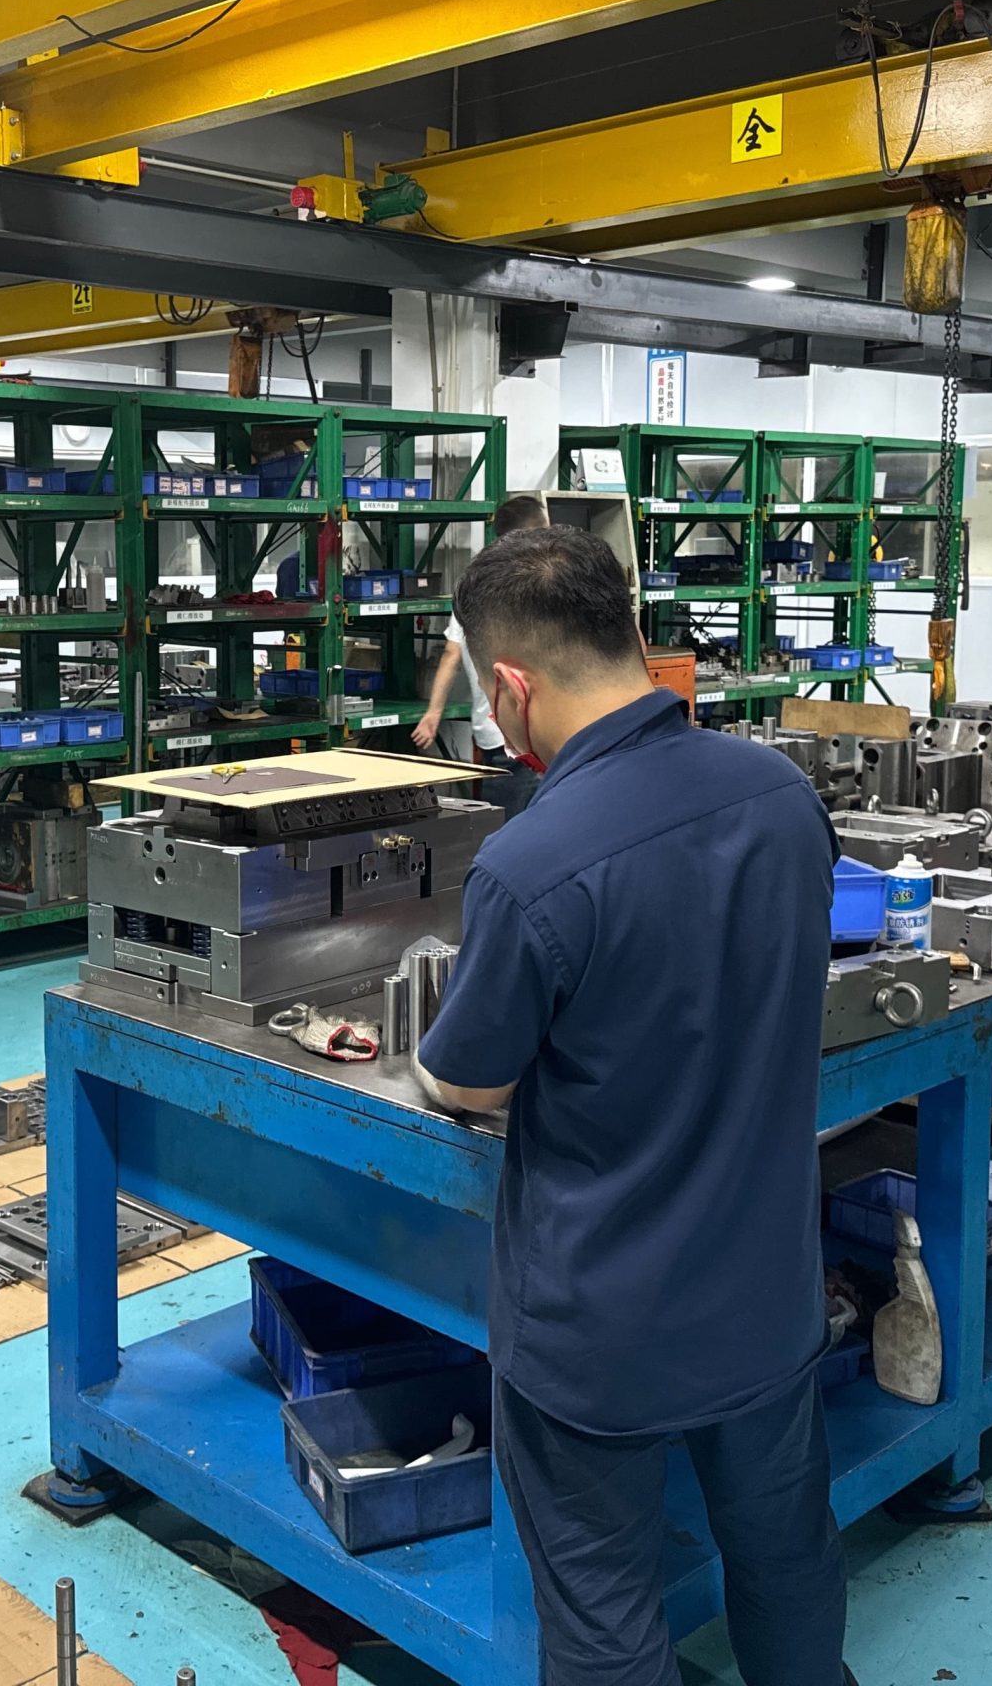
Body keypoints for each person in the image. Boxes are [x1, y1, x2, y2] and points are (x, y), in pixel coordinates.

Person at [414, 526, 849, 1686]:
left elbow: (470, 1078)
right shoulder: (781, 795)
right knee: (787, 1557)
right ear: (631, 635)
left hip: (599, 1331)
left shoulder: (531, 861)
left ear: (510, 689)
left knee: (604, 1613)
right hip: (765, 1292)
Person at [413, 493, 551, 819]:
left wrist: (433, 713)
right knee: (527, 826)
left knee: (502, 825)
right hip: (530, 733)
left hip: (492, 732)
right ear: (534, 535)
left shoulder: (473, 583)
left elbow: (451, 653)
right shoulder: (535, 585)